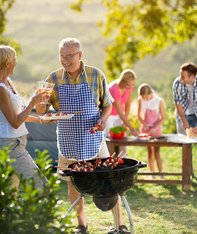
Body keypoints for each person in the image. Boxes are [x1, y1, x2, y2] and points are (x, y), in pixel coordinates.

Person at [35, 38, 130, 234]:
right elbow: (42, 110)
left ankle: (120, 223)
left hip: (94, 137)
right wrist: (42, 102)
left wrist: (103, 120)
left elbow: (107, 104)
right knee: (73, 182)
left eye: (69, 56)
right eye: (62, 57)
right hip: (68, 138)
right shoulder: (53, 78)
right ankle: (81, 224)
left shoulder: (96, 74)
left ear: (80, 55)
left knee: (108, 179)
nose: (65, 60)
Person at [0, 45, 53, 190]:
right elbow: (15, 122)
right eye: (15, 59)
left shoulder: (8, 82)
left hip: (17, 142)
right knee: (42, 186)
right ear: (7, 63)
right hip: (10, 145)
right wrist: (32, 103)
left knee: (9, 192)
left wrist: (42, 119)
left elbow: (18, 115)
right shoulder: (1, 89)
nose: (17, 62)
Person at [105, 69, 138, 155]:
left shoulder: (128, 88)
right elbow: (120, 111)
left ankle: (123, 162)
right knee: (111, 142)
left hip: (121, 116)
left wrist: (125, 123)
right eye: (128, 85)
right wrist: (132, 128)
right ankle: (110, 163)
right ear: (122, 81)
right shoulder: (114, 89)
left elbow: (127, 106)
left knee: (123, 141)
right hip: (109, 116)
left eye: (132, 85)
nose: (130, 87)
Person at [173, 62, 197, 161]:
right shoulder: (177, 83)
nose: (181, 78)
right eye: (180, 75)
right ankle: (188, 173)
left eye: (183, 77)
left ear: (192, 77)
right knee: (185, 144)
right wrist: (184, 121)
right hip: (182, 115)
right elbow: (178, 103)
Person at [137, 83, 165, 178]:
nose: (146, 100)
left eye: (147, 97)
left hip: (156, 128)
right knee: (150, 151)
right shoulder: (140, 100)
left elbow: (163, 118)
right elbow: (139, 115)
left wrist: (155, 128)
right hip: (146, 128)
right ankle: (152, 173)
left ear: (151, 93)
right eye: (144, 98)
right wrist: (144, 124)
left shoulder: (158, 101)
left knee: (157, 152)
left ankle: (160, 173)